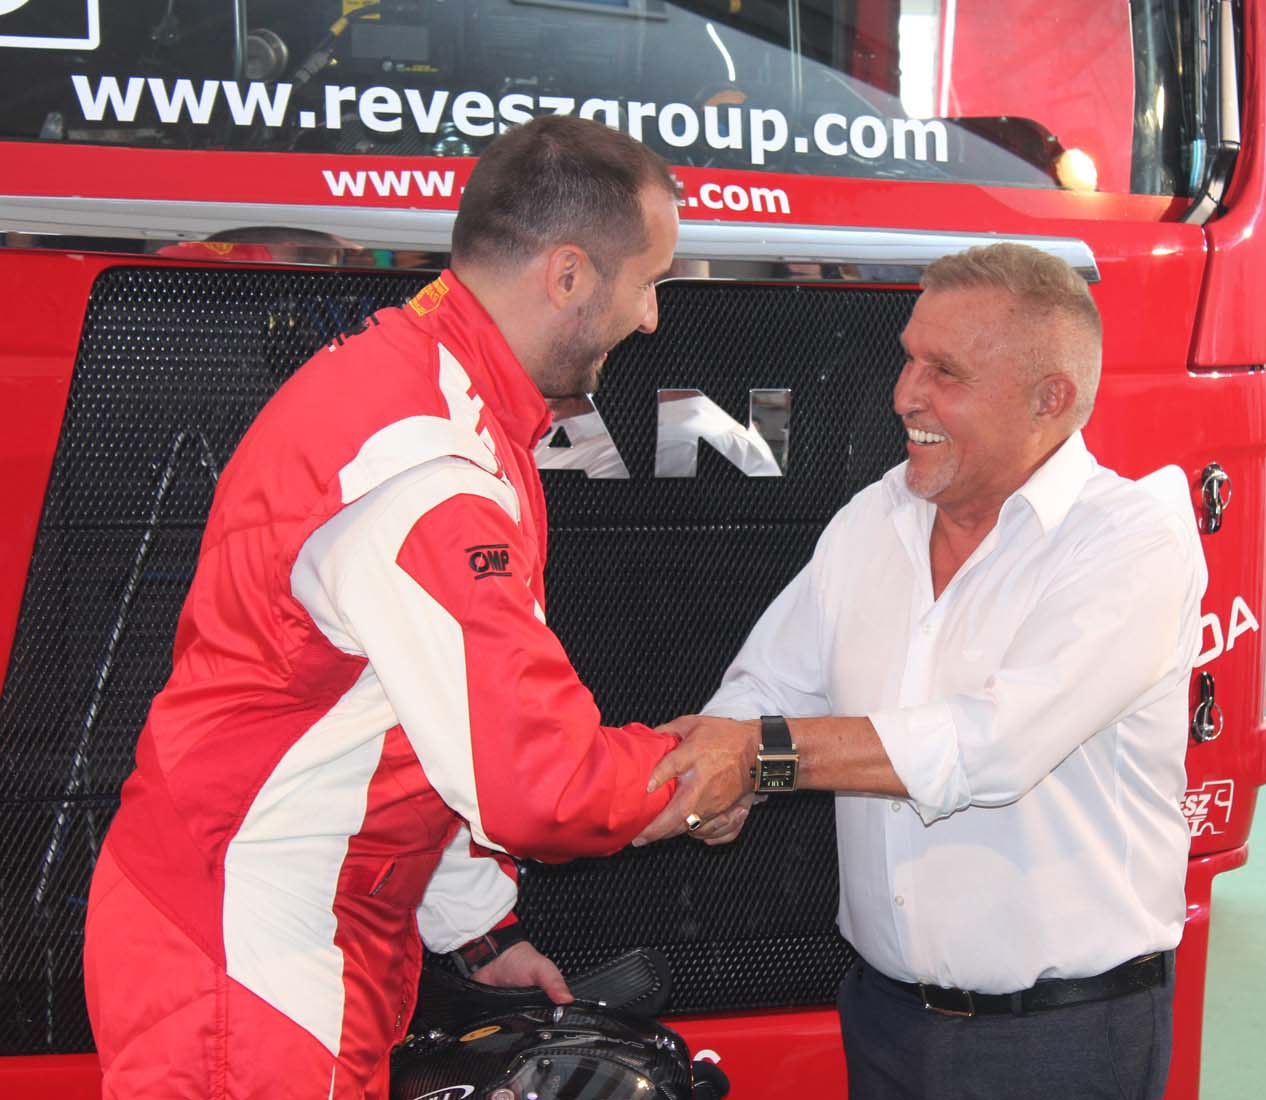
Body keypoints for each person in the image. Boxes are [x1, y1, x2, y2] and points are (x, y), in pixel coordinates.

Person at [83, 116, 684, 1099]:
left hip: (260, 922)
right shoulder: (427, 464)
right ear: (570, 275)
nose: (651, 318)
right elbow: (541, 782)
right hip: (260, 959)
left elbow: (407, 711)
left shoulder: (430, 389)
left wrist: (474, 930)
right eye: (648, 280)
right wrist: (718, 766)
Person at [636, 242, 1208, 1099]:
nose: (906, 394)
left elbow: (991, 747)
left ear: (1050, 399)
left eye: (946, 371)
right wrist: (717, 773)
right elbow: (770, 686)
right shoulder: (876, 517)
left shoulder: (1131, 543)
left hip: (1059, 1043)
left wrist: (758, 757)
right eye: (908, 359)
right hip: (884, 1020)